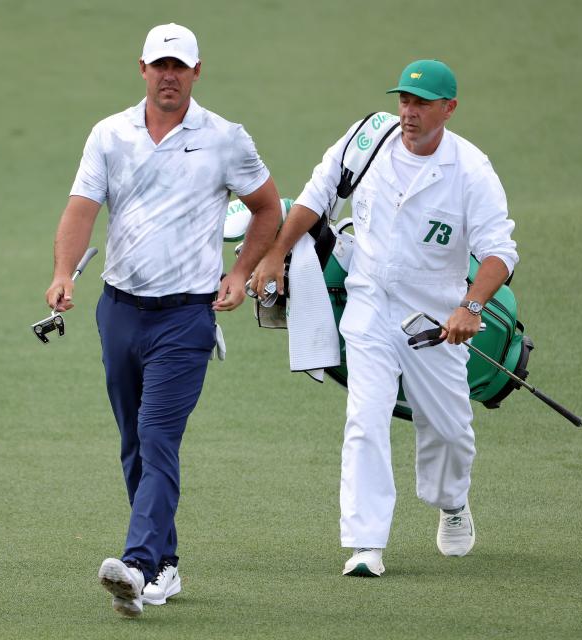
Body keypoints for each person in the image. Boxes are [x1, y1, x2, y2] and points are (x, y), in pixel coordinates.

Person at [44, 23, 281, 616]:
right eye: (159, 65)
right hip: (119, 311)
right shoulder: (110, 134)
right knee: (134, 445)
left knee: (157, 438)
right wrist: (64, 273)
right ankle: (165, 566)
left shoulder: (225, 138)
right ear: (143, 69)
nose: (169, 75)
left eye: (180, 66)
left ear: (197, 72)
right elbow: (81, 209)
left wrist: (240, 270)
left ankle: (139, 565)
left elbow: (267, 208)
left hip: (185, 318)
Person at [251, 59, 518, 577]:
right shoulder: (368, 140)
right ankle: (366, 543)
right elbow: (316, 196)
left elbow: (499, 252)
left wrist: (471, 306)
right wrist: (273, 256)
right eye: (404, 100)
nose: (409, 112)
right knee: (365, 419)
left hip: (434, 320)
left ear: (449, 109)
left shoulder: (471, 171)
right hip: (369, 306)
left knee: (449, 431)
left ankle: (451, 503)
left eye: (421, 103)